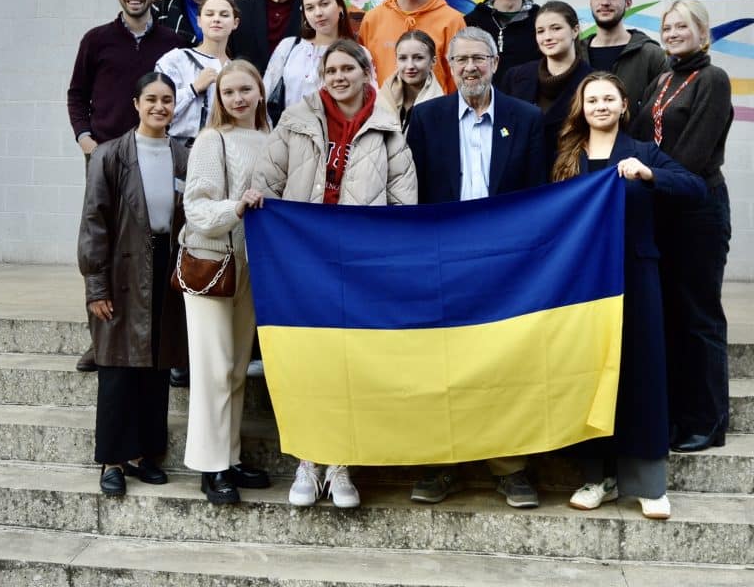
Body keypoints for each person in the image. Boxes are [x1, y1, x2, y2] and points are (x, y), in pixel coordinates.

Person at [253, 39, 417, 509]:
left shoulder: (388, 127)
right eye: (332, 69)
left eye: (349, 68)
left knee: (350, 363)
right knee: (306, 360)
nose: (340, 76)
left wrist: (386, 258)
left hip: (360, 266)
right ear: (321, 74)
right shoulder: (296, 120)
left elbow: (405, 201)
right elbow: (266, 182)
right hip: (302, 261)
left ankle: (341, 463)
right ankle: (308, 459)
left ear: (367, 72)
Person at [552, 72, 705, 520]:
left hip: (636, 277)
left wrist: (650, 174)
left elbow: (695, 189)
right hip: (584, 283)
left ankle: (647, 484)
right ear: (581, 108)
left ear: (623, 106)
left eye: (608, 98)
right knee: (590, 375)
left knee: (641, 373)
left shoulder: (642, 153)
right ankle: (596, 476)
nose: (600, 105)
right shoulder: (566, 157)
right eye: (592, 99)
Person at [405, 27, 545, 508]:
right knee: (442, 365)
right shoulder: (425, 119)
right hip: (443, 262)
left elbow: (538, 197)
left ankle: (511, 468)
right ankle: (442, 464)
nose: (470, 67)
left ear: (495, 62)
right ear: (447, 65)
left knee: (505, 364)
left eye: (479, 59)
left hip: (506, 267)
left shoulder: (527, 119)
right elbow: (414, 194)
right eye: (460, 59)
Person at [67, 0, 186, 372]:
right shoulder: (97, 40)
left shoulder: (173, 42)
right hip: (109, 160)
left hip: (154, 156)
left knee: (147, 253)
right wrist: (86, 140)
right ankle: (99, 340)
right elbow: (76, 94)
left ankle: (153, 338)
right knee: (102, 243)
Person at [77, 72, 189, 497]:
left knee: (157, 367)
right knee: (119, 369)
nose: (159, 107)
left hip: (167, 266)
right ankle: (112, 458)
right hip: (123, 268)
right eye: (151, 99)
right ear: (136, 103)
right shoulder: (109, 156)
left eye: (167, 100)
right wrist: (96, 286)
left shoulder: (183, 155)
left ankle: (145, 454)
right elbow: (94, 223)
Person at [633, 0, 734, 453]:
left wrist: (652, 174)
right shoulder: (663, 78)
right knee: (671, 315)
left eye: (681, 26)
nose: (672, 33)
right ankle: (677, 415)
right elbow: (636, 132)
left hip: (697, 210)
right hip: (663, 207)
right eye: (667, 26)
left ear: (702, 32)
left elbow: (692, 155)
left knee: (699, 316)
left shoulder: (712, 79)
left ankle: (709, 421)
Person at [180, 60, 273, 504]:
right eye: (228, 92)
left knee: (237, 368)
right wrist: (236, 207)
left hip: (253, 268)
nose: (237, 98)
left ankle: (230, 456)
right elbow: (195, 207)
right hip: (213, 264)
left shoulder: (273, 140)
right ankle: (209, 464)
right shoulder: (210, 140)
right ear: (219, 99)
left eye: (244, 90)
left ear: (260, 91)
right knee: (213, 367)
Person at [262, 0, 372, 124]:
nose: (318, 13)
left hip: (336, 139)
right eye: (310, 8)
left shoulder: (359, 52)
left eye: (324, 4)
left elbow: (369, 101)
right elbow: (266, 94)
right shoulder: (289, 47)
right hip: (290, 136)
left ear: (340, 7)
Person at [503, 0, 592, 175]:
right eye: (540, 31)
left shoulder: (593, 82)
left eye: (556, 28)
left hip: (570, 181)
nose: (547, 37)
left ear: (575, 30)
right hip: (521, 182)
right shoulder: (515, 77)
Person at [577, 0, 666, 127]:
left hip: (634, 150)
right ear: (591, 1)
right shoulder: (576, 54)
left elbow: (662, 113)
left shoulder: (651, 55)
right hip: (582, 149)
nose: (605, 2)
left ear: (628, 3)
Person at [155, 0, 241, 145]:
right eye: (209, 14)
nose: (216, 19)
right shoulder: (176, 60)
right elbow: (156, 108)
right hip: (179, 150)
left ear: (235, 23)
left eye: (224, 15)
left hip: (226, 150)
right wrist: (194, 88)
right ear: (199, 21)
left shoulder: (239, 71)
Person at [377, 30, 445, 132]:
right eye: (403, 58)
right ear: (396, 61)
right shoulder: (381, 99)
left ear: (433, 61)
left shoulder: (442, 108)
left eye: (418, 58)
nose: (410, 66)